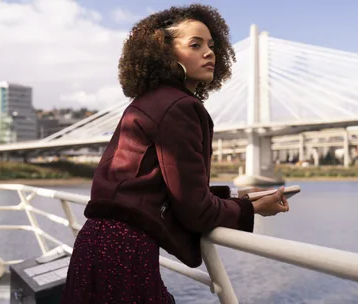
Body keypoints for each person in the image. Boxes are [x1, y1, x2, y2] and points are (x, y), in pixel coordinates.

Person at [61, 4, 289, 304]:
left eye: (211, 45)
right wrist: (252, 209)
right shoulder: (180, 107)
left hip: (95, 246)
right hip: (124, 254)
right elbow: (195, 210)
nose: (209, 53)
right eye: (195, 45)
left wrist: (239, 197)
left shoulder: (149, 102)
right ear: (164, 53)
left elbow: (162, 185)